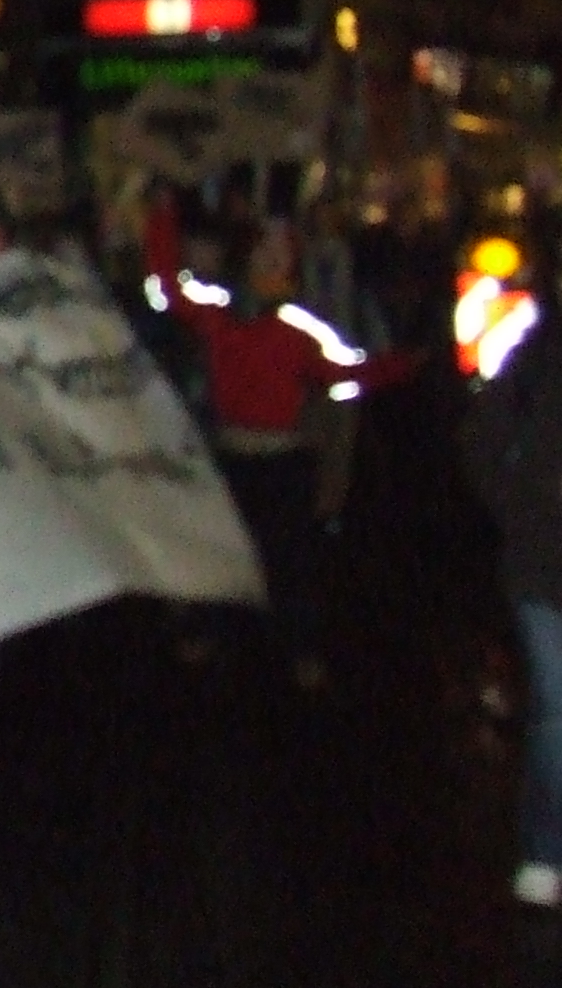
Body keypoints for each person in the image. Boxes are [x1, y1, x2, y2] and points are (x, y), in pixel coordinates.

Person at [146, 192, 416, 685]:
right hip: (233, 456)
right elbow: (166, 284)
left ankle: (297, 648)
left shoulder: (297, 327)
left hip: (283, 463)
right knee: (223, 551)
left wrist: (406, 364)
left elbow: (343, 372)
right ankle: (214, 635)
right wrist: (163, 212)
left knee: (289, 560)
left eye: (282, 251)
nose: (272, 257)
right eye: (264, 248)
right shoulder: (218, 312)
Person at [459, 263, 562, 907]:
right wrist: (522, 505)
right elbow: (482, 435)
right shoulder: (535, 348)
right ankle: (547, 850)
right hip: (543, 561)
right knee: (558, 706)